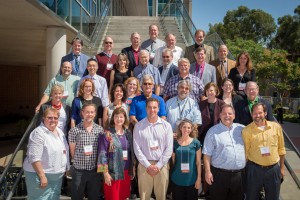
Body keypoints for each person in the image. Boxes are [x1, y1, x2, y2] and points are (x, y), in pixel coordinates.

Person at [23, 107, 69, 200]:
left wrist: (66, 167)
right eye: (50, 117)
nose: (53, 120)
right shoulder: (38, 133)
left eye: (55, 118)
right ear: (43, 118)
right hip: (39, 175)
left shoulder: (59, 131)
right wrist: (42, 176)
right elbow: (34, 158)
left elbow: (64, 151)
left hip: (56, 176)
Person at [242, 103, 286, 200]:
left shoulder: (276, 127)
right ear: (251, 114)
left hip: (273, 169)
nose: (257, 115)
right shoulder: (246, 130)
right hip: (254, 169)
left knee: (273, 197)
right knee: (251, 197)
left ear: (265, 113)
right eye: (255, 113)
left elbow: (281, 149)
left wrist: (282, 168)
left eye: (260, 112)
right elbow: (246, 152)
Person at [203, 104, 246, 200]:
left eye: (230, 113)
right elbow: (206, 154)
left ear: (234, 115)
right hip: (219, 175)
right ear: (220, 115)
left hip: (239, 176)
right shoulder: (212, 131)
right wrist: (207, 172)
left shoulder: (242, 129)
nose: (227, 116)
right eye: (224, 113)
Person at [133, 98, 173, 200]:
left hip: (162, 165)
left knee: (161, 196)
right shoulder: (138, 126)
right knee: (144, 197)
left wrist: (158, 165)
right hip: (144, 166)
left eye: (154, 107)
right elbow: (137, 149)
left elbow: (169, 149)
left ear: (158, 109)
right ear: (146, 109)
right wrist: (148, 166)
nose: (152, 110)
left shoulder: (166, 126)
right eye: (149, 107)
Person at [68, 103, 105, 200]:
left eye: (92, 112)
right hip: (79, 171)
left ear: (95, 114)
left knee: (94, 197)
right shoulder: (74, 131)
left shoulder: (100, 130)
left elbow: (102, 151)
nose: (89, 114)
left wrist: (102, 171)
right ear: (82, 113)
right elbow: (72, 151)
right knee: (77, 197)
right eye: (87, 112)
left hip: (95, 172)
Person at [97, 107, 135, 200]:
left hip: (126, 173)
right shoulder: (107, 134)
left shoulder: (128, 133)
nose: (119, 119)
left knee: (123, 196)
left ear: (125, 118)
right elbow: (102, 155)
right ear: (112, 118)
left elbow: (131, 153)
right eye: (116, 116)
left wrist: (132, 169)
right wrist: (105, 174)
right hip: (112, 173)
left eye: (121, 117)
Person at [171, 119, 201, 200]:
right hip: (177, 179)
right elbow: (173, 161)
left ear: (191, 129)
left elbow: (198, 163)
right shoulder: (174, 143)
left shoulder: (196, 143)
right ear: (180, 128)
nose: (186, 129)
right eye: (184, 127)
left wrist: (199, 178)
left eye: (189, 127)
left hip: (192, 180)